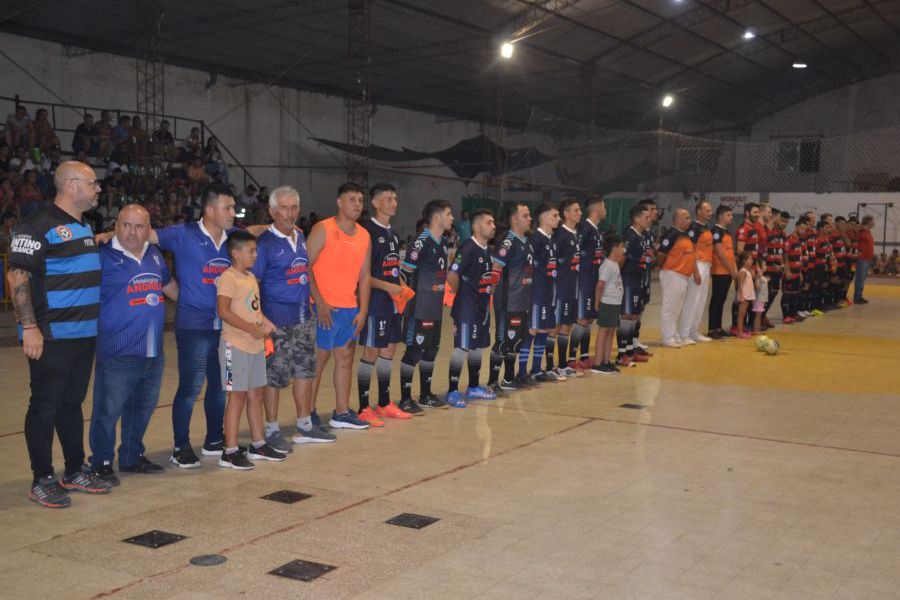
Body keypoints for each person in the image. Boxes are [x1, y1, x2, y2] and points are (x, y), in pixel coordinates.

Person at [8, 161, 112, 508]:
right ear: (71, 185)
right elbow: (17, 276)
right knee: (44, 406)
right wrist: (30, 327)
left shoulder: (81, 227)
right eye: (92, 183)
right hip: (52, 335)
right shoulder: (37, 225)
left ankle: (73, 470)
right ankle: (42, 478)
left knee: (71, 404)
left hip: (83, 336)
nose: (98, 189)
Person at [89, 205, 179, 486]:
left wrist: (200, 304)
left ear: (148, 229)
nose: (132, 232)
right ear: (116, 225)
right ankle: (101, 462)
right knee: (108, 410)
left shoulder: (154, 255)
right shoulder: (102, 255)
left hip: (153, 351)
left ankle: (131, 455)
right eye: (126, 225)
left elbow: (169, 288)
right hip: (118, 351)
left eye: (139, 227)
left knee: (141, 408)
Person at [154, 183, 237, 467]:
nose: (233, 213)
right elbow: (143, 235)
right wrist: (106, 235)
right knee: (191, 386)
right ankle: (180, 446)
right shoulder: (183, 234)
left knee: (220, 385)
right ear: (210, 210)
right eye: (227, 208)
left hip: (225, 326)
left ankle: (215, 438)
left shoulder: (233, 238)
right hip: (193, 324)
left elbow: (261, 232)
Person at [251, 186, 335, 449]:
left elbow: (305, 272)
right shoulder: (264, 245)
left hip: (303, 319)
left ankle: (305, 425)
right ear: (272, 211)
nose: (289, 214)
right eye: (284, 208)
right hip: (276, 322)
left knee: (305, 373)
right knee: (274, 378)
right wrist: (260, 320)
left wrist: (318, 301)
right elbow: (253, 283)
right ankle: (272, 429)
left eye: (294, 208)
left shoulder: (299, 236)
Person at [216, 230, 284, 469]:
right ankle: (230, 450)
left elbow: (253, 308)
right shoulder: (228, 278)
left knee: (256, 394)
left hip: (255, 346)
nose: (256, 254)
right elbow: (223, 311)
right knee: (237, 397)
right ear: (236, 253)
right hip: (234, 345)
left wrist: (264, 322)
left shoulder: (251, 277)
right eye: (251, 251)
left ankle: (258, 444)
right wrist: (250, 329)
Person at [308, 182, 372, 430]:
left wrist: (363, 310)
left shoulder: (364, 236)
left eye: (360, 200)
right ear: (339, 202)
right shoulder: (323, 229)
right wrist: (319, 302)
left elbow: (365, 276)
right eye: (352, 199)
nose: (357, 204)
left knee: (345, 361)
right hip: (323, 309)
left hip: (349, 309)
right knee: (318, 362)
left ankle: (342, 412)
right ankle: (308, 413)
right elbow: (305, 266)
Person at [356, 183, 416, 424]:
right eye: (388, 198)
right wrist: (389, 287)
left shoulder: (391, 232)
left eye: (395, 198)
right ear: (375, 202)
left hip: (392, 303)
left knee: (389, 349)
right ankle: (362, 407)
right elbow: (361, 276)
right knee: (371, 350)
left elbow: (389, 268)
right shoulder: (366, 232)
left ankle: (383, 403)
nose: (394, 202)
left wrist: (399, 282)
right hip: (375, 303)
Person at [398, 200, 452, 410]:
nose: (452, 218)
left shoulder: (443, 242)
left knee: (431, 351)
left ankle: (426, 394)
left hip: (435, 308)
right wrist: (405, 302)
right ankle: (404, 398)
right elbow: (404, 275)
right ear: (437, 217)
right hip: (418, 309)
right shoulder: (419, 242)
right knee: (414, 352)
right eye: (448, 214)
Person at [444, 209, 498, 408]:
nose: (493, 226)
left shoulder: (485, 250)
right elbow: (452, 275)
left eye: (493, 223)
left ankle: (473, 387)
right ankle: (452, 390)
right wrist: (463, 295)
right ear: (476, 226)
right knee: (463, 347)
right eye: (489, 222)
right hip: (467, 309)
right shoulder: (468, 248)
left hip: (482, 308)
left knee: (477, 347)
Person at [486, 202, 536, 394]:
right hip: (508, 301)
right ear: (514, 219)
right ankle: (492, 382)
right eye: (525, 215)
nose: (530, 219)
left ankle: (508, 378)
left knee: (517, 341)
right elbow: (496, 269)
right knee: (503, 341)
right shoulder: (507, 241)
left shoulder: (526, 241)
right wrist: (489, 293)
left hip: (523, 301)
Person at [527, 203, 562, 381]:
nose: (559, 219)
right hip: (538, 294)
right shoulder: (536, 240)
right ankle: (521, 372)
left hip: (550, 294)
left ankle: (537, 369)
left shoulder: (551, 240)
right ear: (544, 217)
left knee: (544, 329)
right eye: (555, 215)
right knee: (533, 330)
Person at [549, 199, 583, 378]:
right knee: (555, 325)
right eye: (576, 211)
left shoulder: (575, 234)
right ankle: (548, 366)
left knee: (567, 326)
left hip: (572, 288)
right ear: (566, 214)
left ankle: (562, 364)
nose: (580, 213)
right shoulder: (560, 235)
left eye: (580, 210)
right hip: (561, 289)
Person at [657, 209, 700, 348]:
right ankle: (667, 338)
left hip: (683, 276)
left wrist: (695, 272)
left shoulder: (685, 235)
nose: (690, 220)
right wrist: (667, 269)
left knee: (677, 308)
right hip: (673, 274)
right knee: (669, 307)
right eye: (687, 218)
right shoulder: (671, 234)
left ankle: (675, 335)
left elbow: (691, 254)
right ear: (678, 220)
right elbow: (661, 254)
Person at [617, 204, 653, 365]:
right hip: (627, 280)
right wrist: (616, 280)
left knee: (634, 315)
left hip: (637, 280)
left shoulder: (641, 236)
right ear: (637, 219)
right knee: (626, 315)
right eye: (646, 217)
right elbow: (620, 258)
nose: (649, 219)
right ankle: (621, 354)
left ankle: (631, 351)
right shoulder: (629, 235)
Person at [573, 196, 606, 367]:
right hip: (584, 280)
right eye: (604, 206)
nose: (605, 210)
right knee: (582, 318)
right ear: (597, 207)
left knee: (589, 318)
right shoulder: (585, 228)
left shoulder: (596, 230)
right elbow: (575, 252)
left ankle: (584, 356)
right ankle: (571, 359)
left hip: (594, 279)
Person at [680, 200, 713, 343]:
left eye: (710, 210)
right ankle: (684, 334)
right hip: (697, 265)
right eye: (707, 210)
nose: (710, 212)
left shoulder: (706, 227)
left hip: (706, 265)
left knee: (701, 301)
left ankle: (694, 331)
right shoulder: (693, 227)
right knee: (692, 300)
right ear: (699, 211)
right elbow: (690, 250)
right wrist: (695, 271)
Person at [591, 234, 624, 374]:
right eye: (622, 246)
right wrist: (597, 303)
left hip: (615, 302)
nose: (623, 249)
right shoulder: (607, 265)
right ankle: (598, 363)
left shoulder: (615, 263)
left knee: (611, 332)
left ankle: (606, 361)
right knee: (604, 331)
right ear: (615, 248)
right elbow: (600, 285)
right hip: (608, 302)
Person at [731, 202, 760, 334]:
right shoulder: (744, 229)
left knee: (748, 299)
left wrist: (756, 268)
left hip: (752, 270)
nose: (757, 214)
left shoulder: (753, 228)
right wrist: (747, 270)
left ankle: (744, 327)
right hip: (745, 272)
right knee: (740, 299)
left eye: (758, 212)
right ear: (747, 213)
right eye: (755, 212)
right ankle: (735, 327)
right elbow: (740, 250)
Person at [781, 214, 807, 324]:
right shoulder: (790, 239)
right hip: (790, 272)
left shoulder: (799, 241)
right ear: (796, 227)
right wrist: (787, 271)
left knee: (795, 294)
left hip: (797, 272)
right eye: (801, 228)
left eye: (804, 229)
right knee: (787, 294)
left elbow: (799, 258)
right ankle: (785, 316)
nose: (802, 231)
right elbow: (785, 256)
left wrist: (800, 272)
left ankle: (792, 314)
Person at [854, 215, 875, 303]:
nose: (874, 222)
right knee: (860, 278)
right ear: (869, 222)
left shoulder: (868, 232)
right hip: (862, 258)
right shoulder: (861, 231)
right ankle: (857, 297)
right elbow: (854, 240)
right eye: (873, 220)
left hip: (867, 258)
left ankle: (859, 295)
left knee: (863, 278)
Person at [735, 252, 755, 339]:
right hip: (744, 296)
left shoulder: (748, 271)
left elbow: (753, 278)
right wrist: (741, 296)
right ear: (744, 261)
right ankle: (739, 332)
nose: (752, 261)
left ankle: (741, 330)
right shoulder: (743, 272)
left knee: (743, 314)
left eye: (752, 259)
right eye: (749, 259)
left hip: (748, 295)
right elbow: (740, 285)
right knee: (741, 314)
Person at [751, 258, 768, 334]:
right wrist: (757, 278)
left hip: (762, 299)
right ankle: (756, 330)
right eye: (764, 265)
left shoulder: (763, 277)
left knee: (759, 315)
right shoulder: (758, 277)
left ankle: (757, 329)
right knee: (758, 316)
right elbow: (757, 287)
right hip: (758, 299)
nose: (766, 266)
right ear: (759, 267)